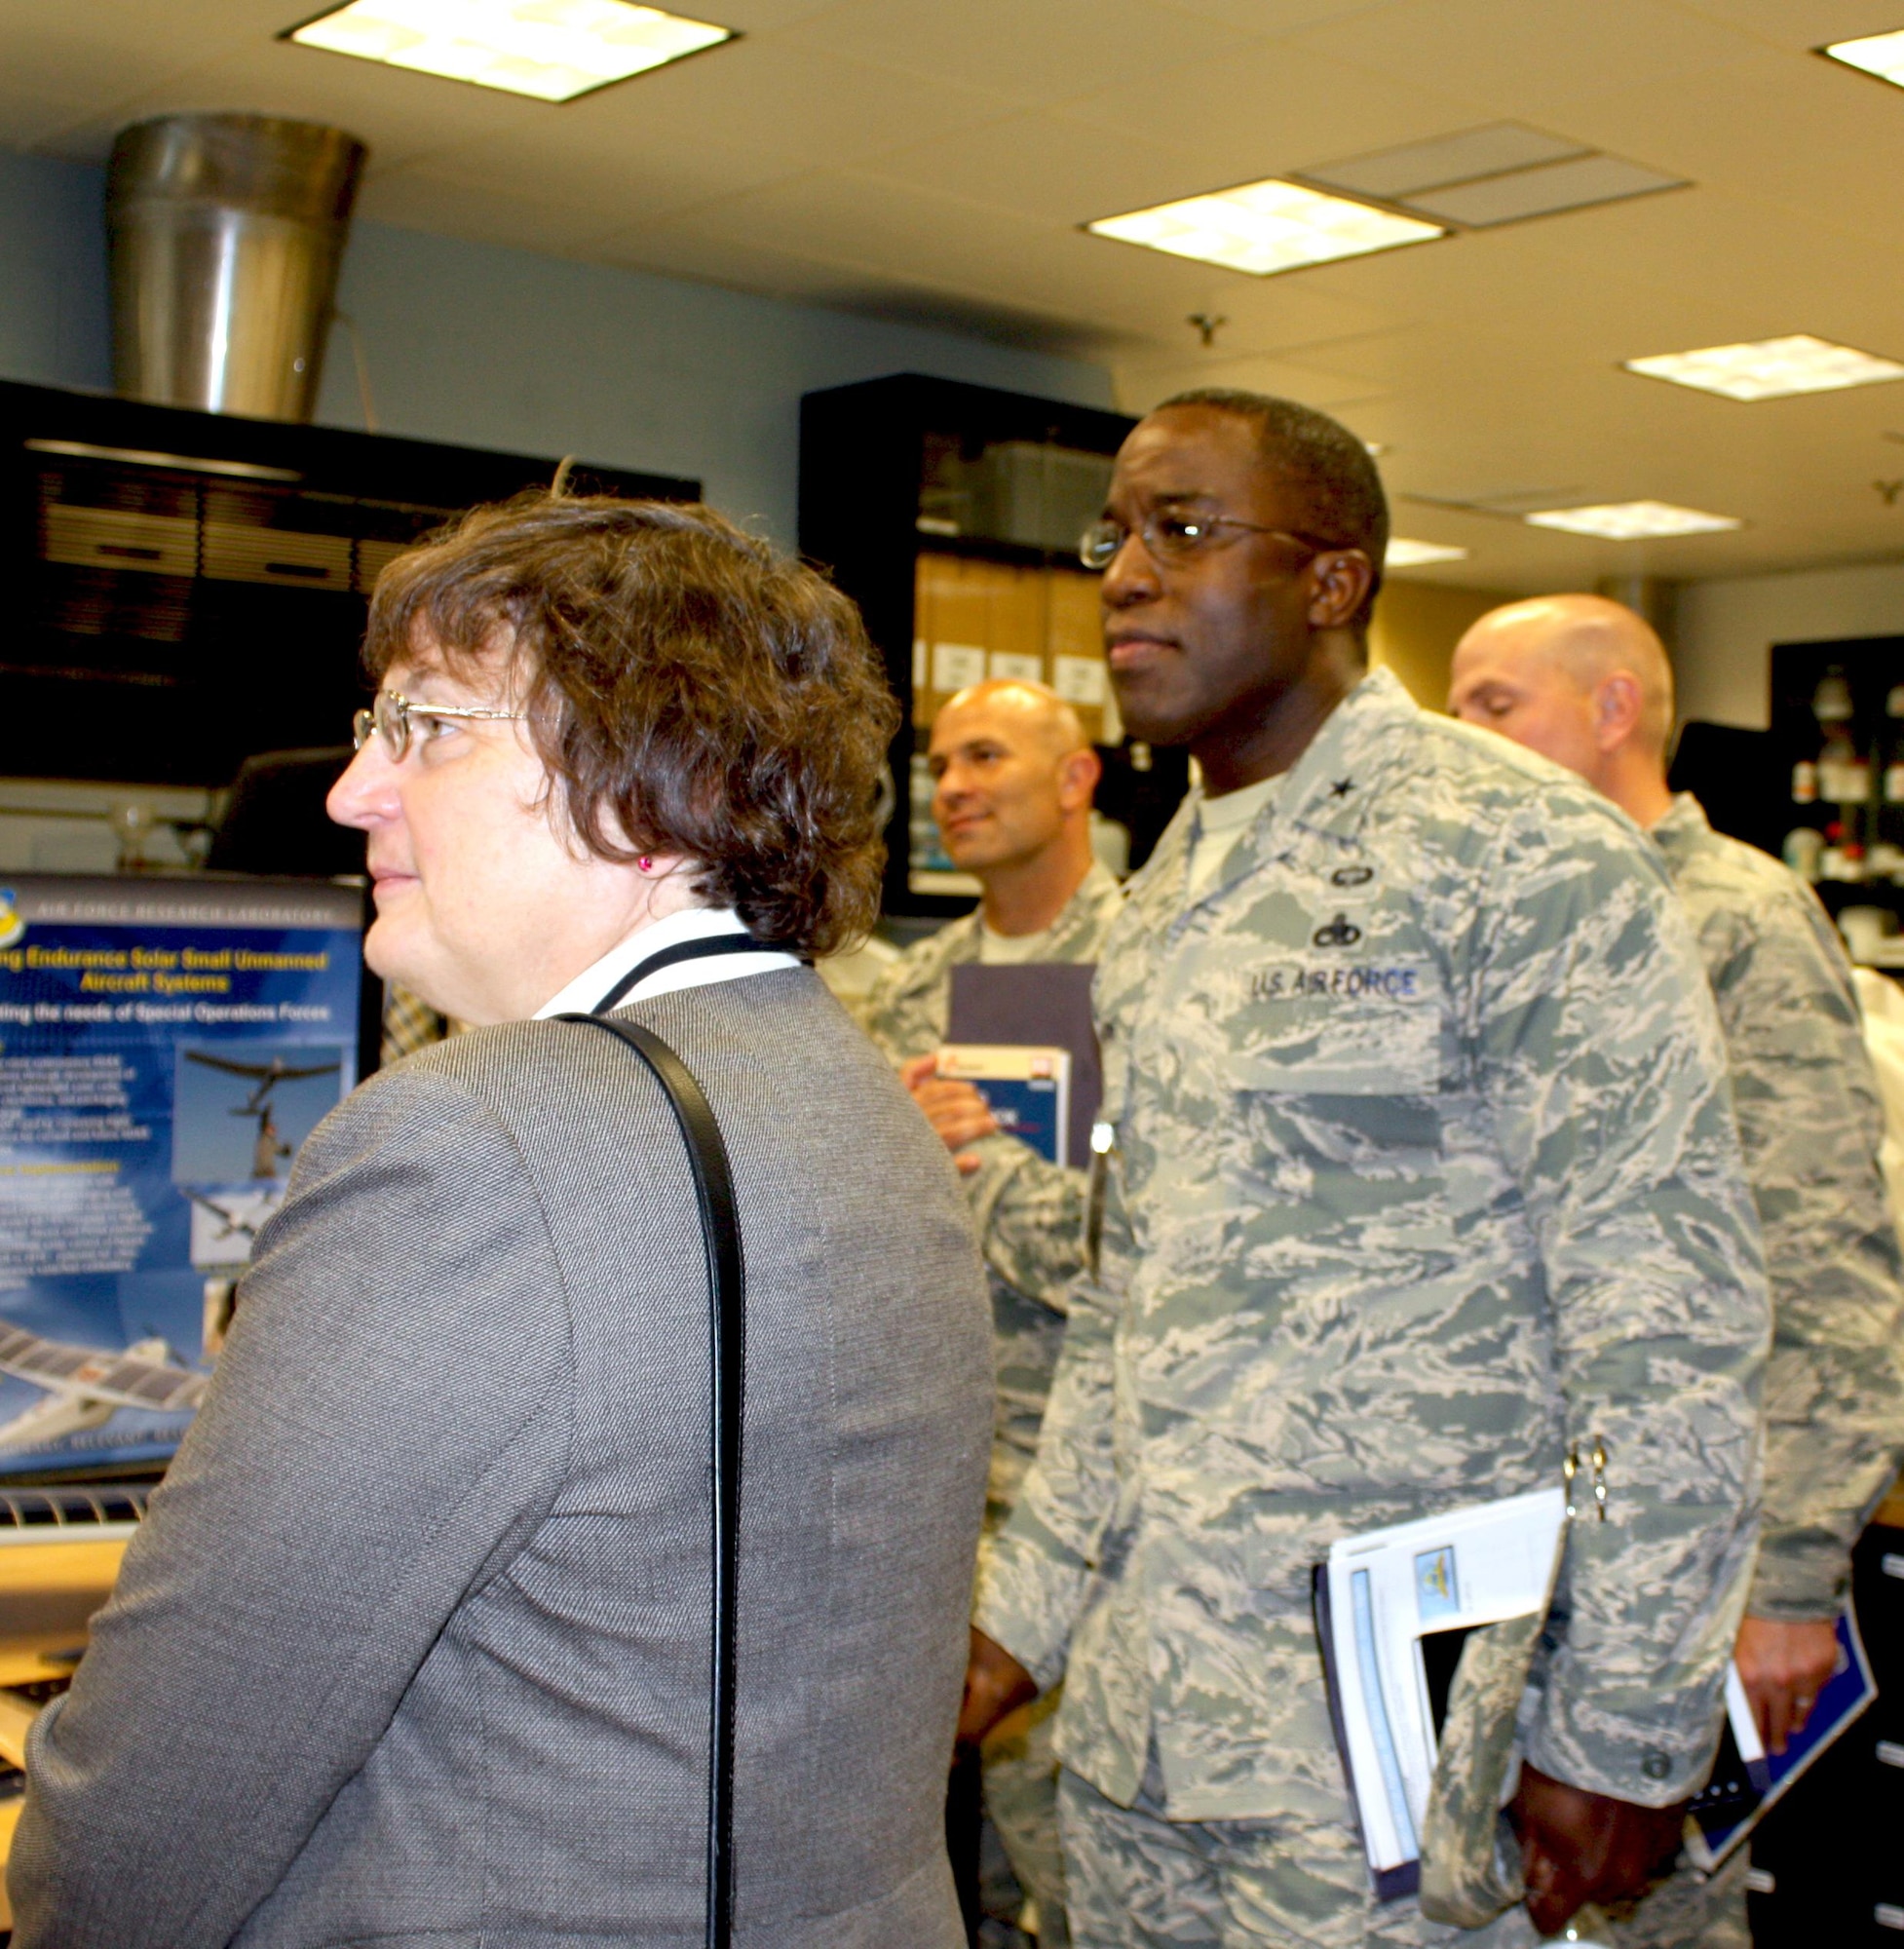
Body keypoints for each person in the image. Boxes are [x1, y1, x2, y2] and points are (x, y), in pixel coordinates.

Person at [9, 494, 994, 1949]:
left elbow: (164, 1792)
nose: (351, 791)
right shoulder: (850, 1094)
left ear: (647, 788)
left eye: (426, 726)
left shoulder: (478, 1144)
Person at [957, 389, 1771, 1949]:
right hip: (1145, 1735)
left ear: (1332, 582)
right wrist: (1016, 1619)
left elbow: (1660, 1316)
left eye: (1181, 530)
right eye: (1112, 534)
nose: (1124, 572)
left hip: (1398, 1760)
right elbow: (1139, 1319)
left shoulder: (1513, 850)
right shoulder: (1162, 896)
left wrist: (1620, 1725)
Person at [1450, 592, 1904, 1948]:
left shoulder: (1736, 920)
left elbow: (1825, 1268)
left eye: (1493, 705)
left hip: (1668, 1570)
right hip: (1509, 1551)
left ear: (1611, 710)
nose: (1461, 741)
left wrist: (1786, 1581)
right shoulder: (1508, 916)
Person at [864, 678, 1123, 1947]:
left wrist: (982, 1169)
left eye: (985, 756)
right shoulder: (910, 997)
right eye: (939, 764)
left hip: (1095, 1495)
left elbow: (1153, 1260)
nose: (951, 785)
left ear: (1074, 781)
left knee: (1079, 1872)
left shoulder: (1155, 977)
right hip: (933, 1482)